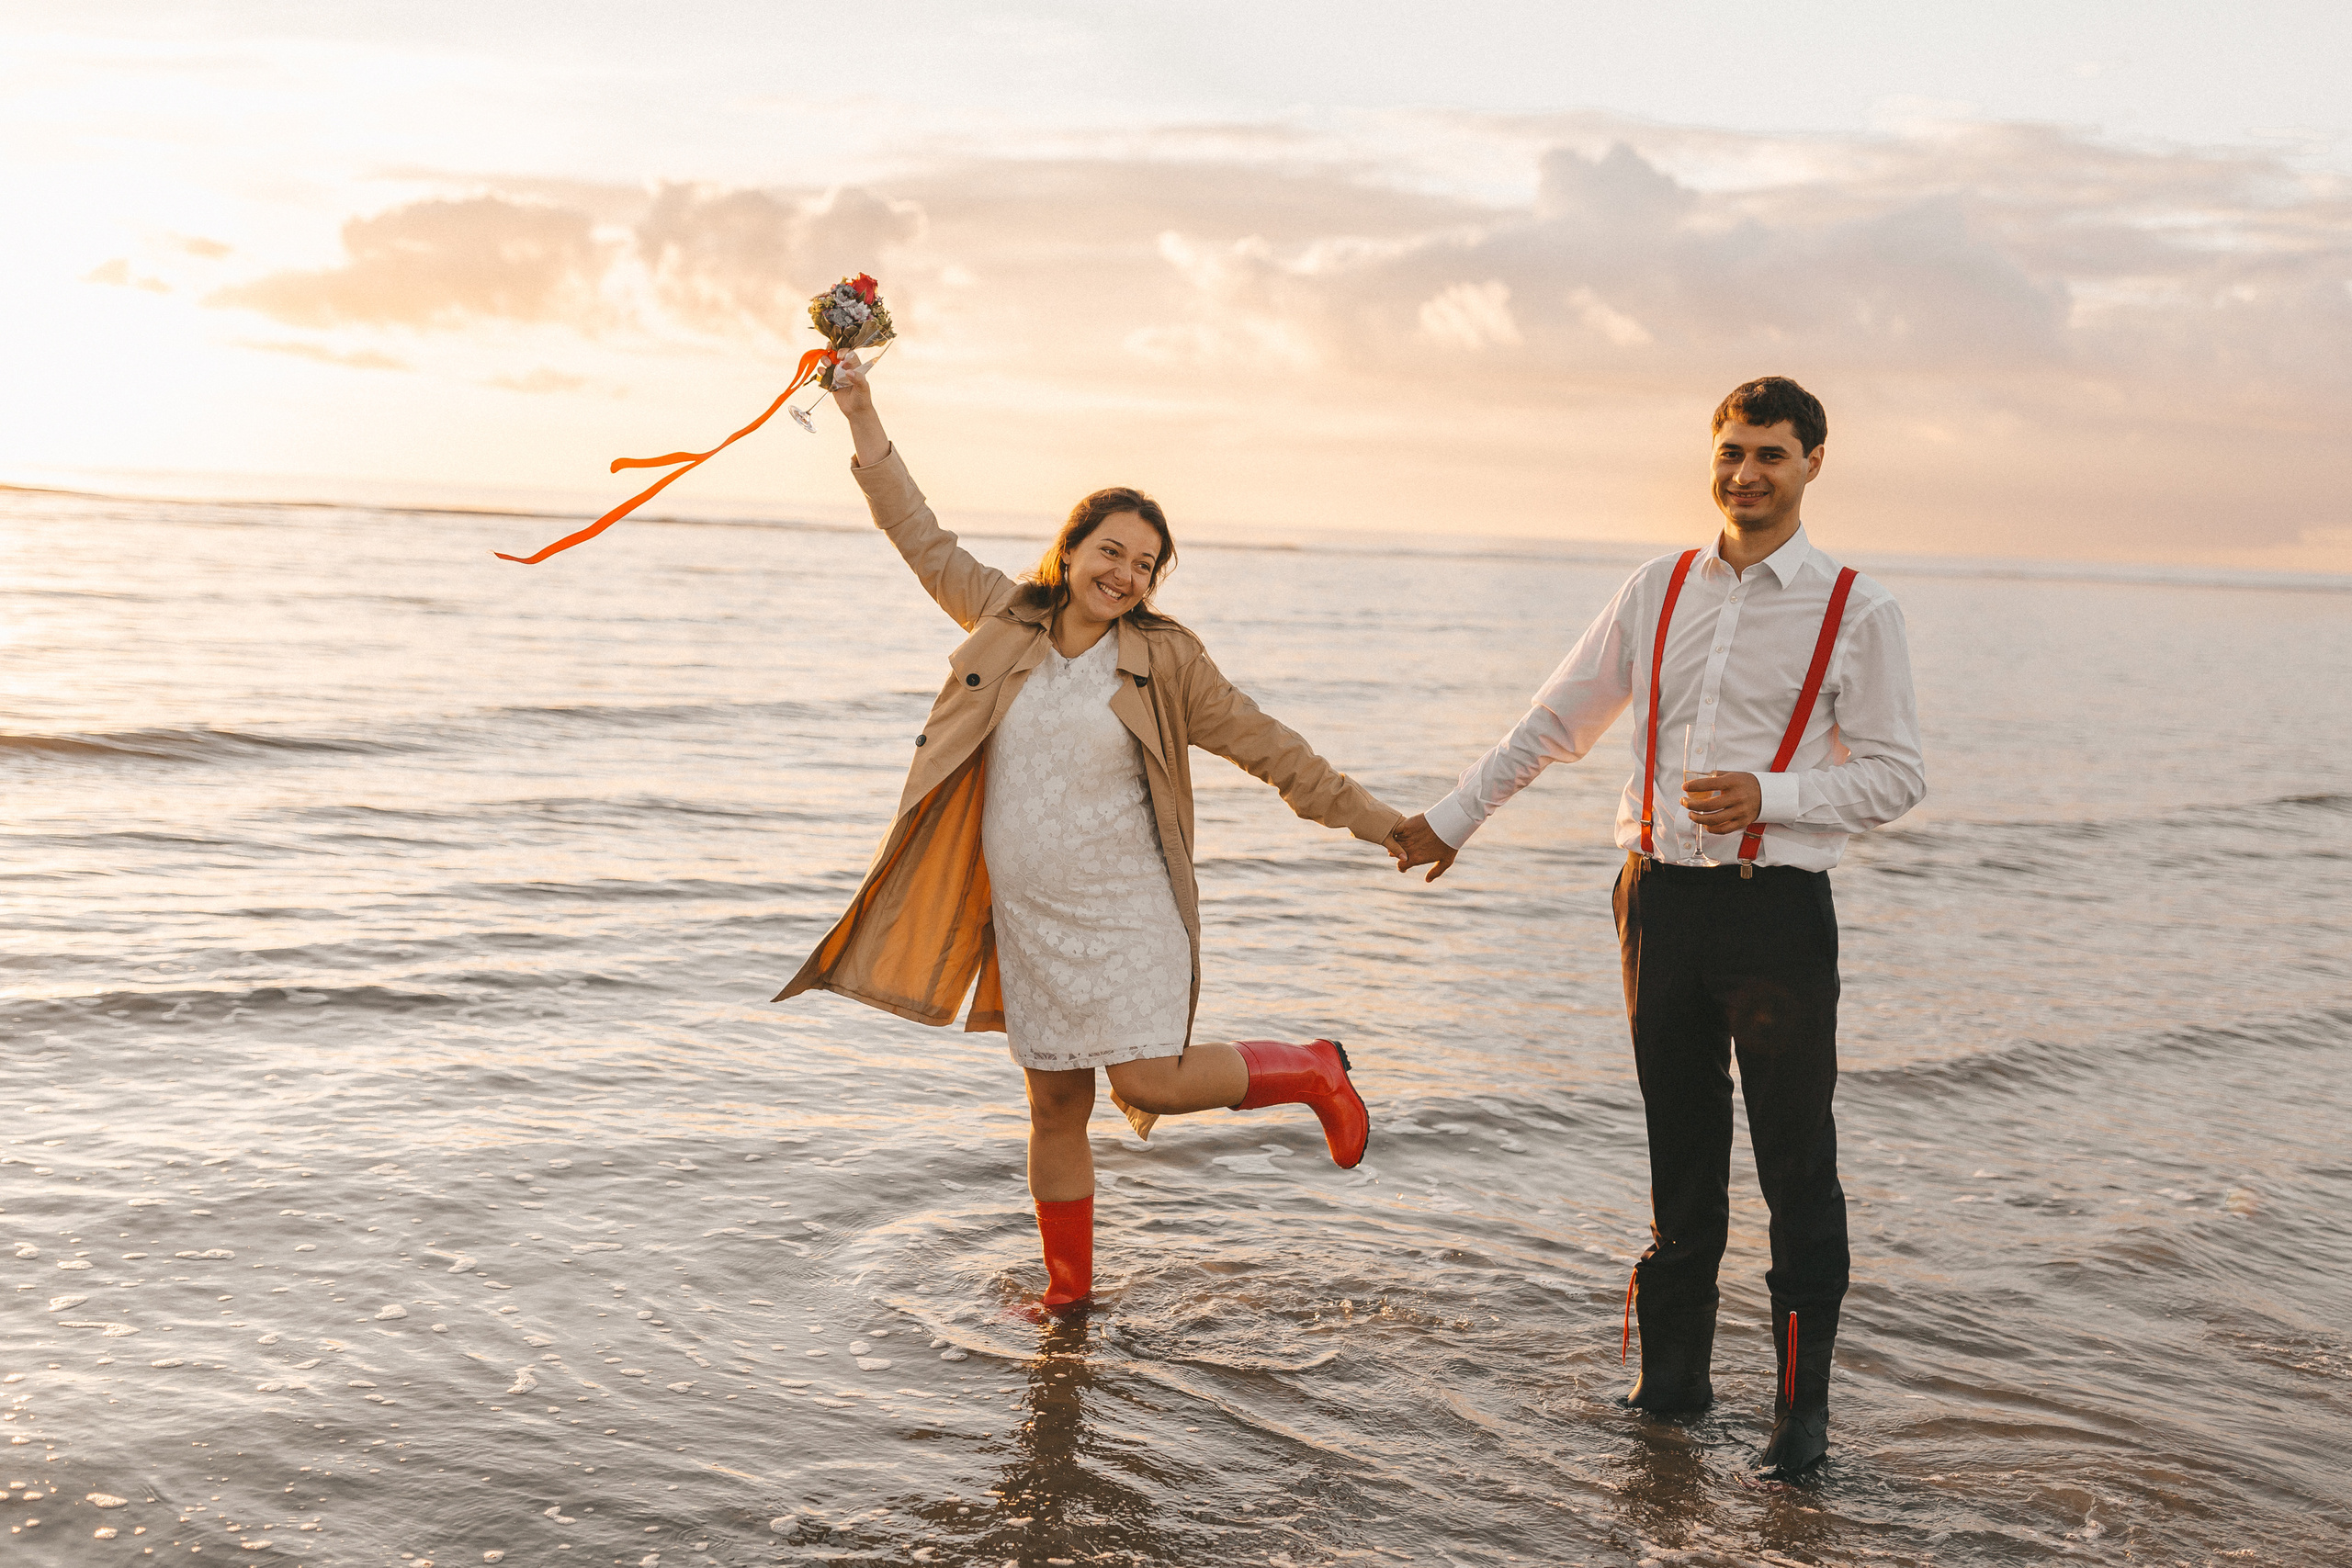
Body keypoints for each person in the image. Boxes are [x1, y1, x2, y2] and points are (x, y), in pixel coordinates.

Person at [777, 353, 1405, 1313]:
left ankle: (1314, 1070)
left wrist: (1384, 826)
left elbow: (1274, 751)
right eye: (1111, 551)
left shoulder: (1166, 660)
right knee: (1055, 1107)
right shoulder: (1003, 617)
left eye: (1145, 564)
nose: (1125, 573)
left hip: (1126, 912)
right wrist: (860, 410)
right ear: (1070, 550)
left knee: (1149, 1083)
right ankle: (1067, 1298)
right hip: (1031, 920)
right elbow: (915, 530)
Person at [1389, 377, 1926, 1481]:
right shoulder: (1658, 586)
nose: (1745, 473)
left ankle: (1799, 1422)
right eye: (1730, 451)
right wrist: (1454, 820)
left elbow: (1896, 774)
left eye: (1770, 454)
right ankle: (1671, 1392)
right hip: (1657, 906)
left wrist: (1772, 795)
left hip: (1775, 916)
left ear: (1812, 463)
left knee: (1795, 1168)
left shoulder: (1856, 608)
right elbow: (1558, 720)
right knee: (1678, 1160)